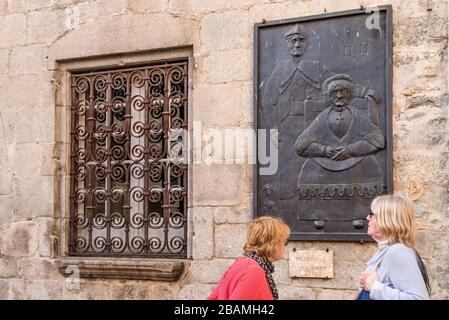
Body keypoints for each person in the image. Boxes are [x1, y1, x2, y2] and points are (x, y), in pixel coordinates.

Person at [294, 74, 385, 199]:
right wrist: (324, 150)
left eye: (343, 92)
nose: (339, 96)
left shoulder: (357, 116)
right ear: (328, 95)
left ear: (350, 94)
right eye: (334, 92)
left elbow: (379, 141)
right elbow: (300, 146)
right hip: (324, 166)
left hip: (356, 167)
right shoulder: (322, 118)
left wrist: (350, 150)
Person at [357, 195, 431, 300]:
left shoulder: (398, 251)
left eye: (372, 214)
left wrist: (375, 288)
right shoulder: (386, 251)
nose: (367, 218)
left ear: (387, 219)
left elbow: (419, 298)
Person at [208, 216, 290, 300]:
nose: (285, 246)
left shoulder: (242, 263)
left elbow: (214, 297)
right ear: (273, 243)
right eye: (284, 241)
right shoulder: (253, 271)